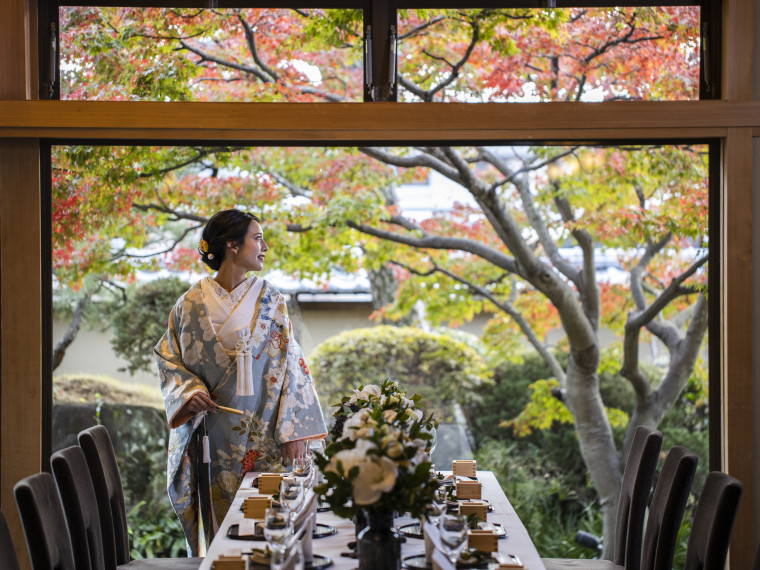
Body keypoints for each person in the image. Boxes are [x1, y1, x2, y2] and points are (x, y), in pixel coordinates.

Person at [155, 209, 327, 556]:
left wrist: (296, 429)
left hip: (265, 435)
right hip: (212, 438)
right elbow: (168, 357)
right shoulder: (189, 305)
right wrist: (190, 391)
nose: (265, 246)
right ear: (232, 244)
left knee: (269, 533)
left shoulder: (272, 300)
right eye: (257, 238)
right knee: (224, 540)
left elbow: (291, 360)